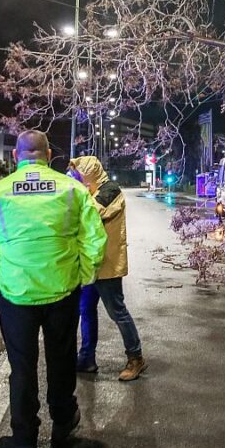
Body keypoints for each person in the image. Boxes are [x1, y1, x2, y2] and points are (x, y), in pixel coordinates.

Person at [0, 131, 106, 448]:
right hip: (62, 291)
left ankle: (24, 439)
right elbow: (94, 239)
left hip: (16, 295)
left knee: (22, 367)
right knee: (62, 360)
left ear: (16, 156)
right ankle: (63, 425)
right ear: (49, 154)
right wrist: (83, 275)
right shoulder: (72, 190)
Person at [70, 156, 146, 381]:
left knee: (117, 312)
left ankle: (136, 358)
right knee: (86, 310)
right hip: (91, 264)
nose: (76, 179)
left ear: (89, 174)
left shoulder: (110, 191)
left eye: (79, 175)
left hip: (108, 264)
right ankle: (87, 358)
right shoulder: (92, 191)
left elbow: (90, 213)